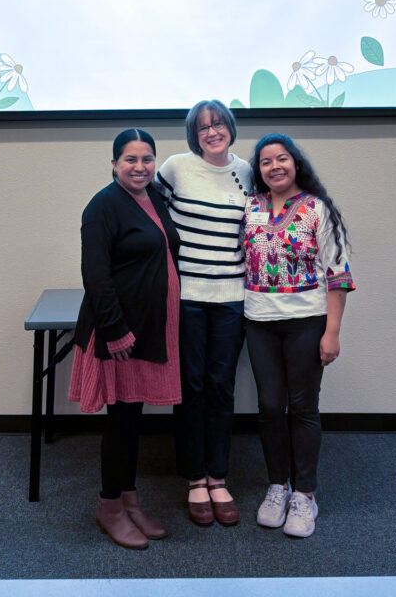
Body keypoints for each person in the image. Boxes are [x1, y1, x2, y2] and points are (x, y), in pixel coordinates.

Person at [68, 128, 181, 550]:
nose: (140, 167)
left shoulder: (153, 199)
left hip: (149, 328)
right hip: (121, 334)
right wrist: (115, 331)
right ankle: (109, 507)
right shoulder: (102, 207)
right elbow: (95, 277)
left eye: (147, 159)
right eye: (130, 159)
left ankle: (130, 500)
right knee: (120, 424)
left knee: (133, 420)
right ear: (114, 163)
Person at [243, 133, 355, 538]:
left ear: (295, 163)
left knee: (303, 406)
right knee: (271, 406)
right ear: (259, 170)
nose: (275, 167)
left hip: (307, 322)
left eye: (282, 159)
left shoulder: (316, 209)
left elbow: (338, 274)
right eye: (266, 161)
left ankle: (305, 495)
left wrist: (333, 332)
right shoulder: (250, 208)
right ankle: (279, 486)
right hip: (259, 322)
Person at [155, 100, 252, 527]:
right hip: (187, 296)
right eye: (203, 128)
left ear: (230, 127)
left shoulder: (248, 171)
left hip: (233, 296)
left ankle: (218, 476)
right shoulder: (176, 168)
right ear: (193, 135)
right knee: (190, 386)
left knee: (221, 386)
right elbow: (147, 214)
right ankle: (194, 478)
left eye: (218, 124)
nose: (212, 132)